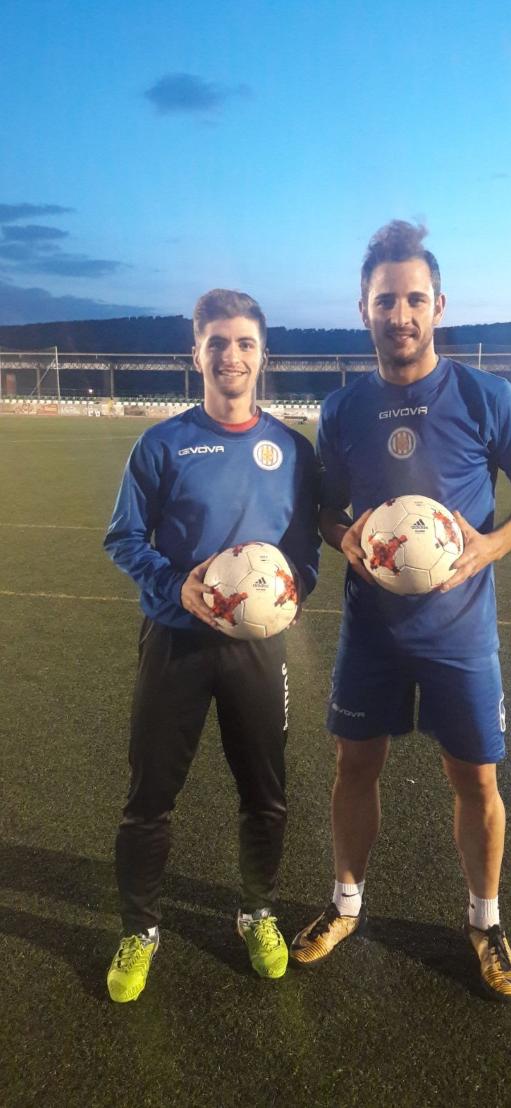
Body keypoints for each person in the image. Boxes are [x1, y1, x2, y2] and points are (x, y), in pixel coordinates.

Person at [289, 221, 511, 1001]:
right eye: (385, 301)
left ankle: (485, 921)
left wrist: (485, 548)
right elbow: (324, 512)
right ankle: (345, 905)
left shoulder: (484, 395)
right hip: (370, 632)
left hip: (460, 635)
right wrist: (349, 542)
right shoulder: (342, 410)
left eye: (413, 299)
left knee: (474, 779)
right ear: (363, 310)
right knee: (354, 765)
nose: (400, 314)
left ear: (437, 305)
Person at [103, 288, 320, 1001]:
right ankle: (139, 928)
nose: (232, 355)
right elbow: (124, 538)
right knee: (148, 796)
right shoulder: (162, 444)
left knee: (266, 794)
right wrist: (177, 588)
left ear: (263, 355)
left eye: (245, 343)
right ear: (195, 352)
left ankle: (256, 910)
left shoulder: (293, 449)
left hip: (257, 651)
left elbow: (305, 551)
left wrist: (292, 596)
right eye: (217, 342)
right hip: (175, 643)